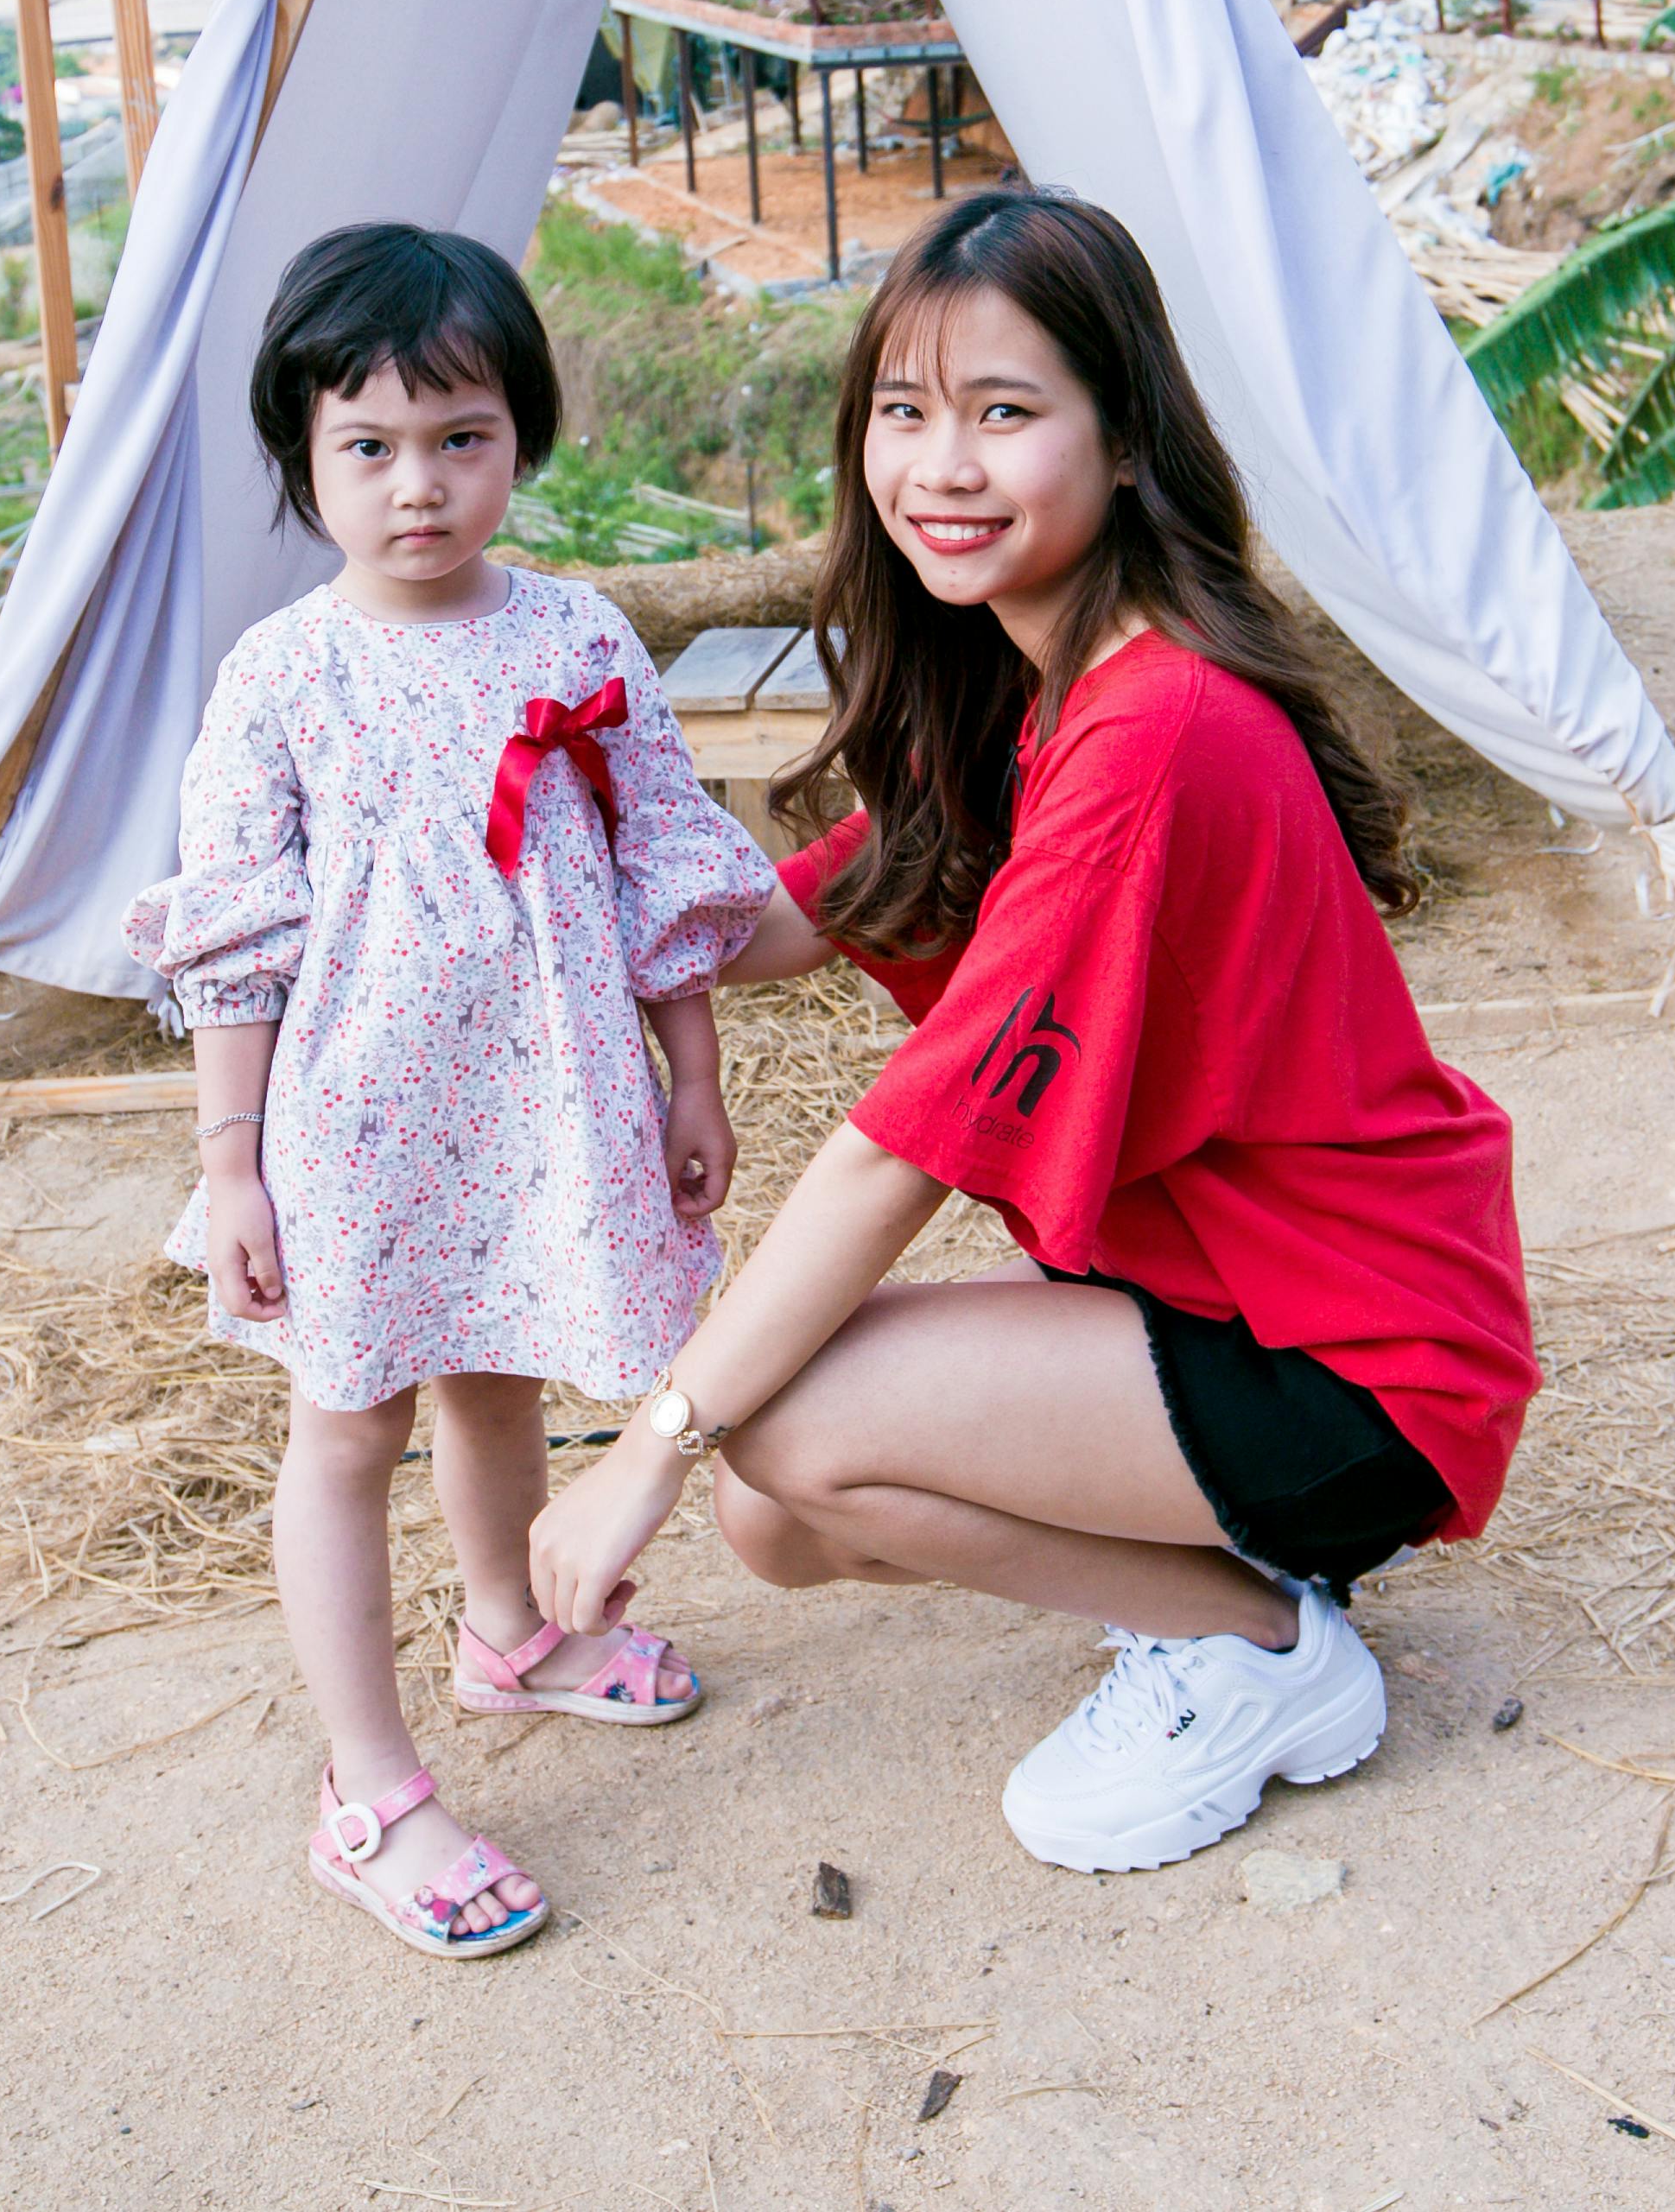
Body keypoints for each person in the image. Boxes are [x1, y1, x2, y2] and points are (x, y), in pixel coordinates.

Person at [529, 187, 1540, 1875]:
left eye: (1006, 414)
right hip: (1219, 1295)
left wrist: (643, 1442)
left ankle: (1267, 1653)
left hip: (1358, 1356)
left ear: (1127, 438)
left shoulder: (1151, 732)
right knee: (774, 1521)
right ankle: (1226, 1590)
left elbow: (899, 1152)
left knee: (766, 1434)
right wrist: (550, 909)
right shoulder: (1025, 677)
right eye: (906, 414)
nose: (942, 466)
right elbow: (806, 913)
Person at [124, 224, 773, 1957]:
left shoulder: (581, 634)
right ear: (304, 458)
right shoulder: (283, 678)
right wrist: (235, 1167)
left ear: (522, 438)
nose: (418, 485)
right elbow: (238, 945)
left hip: (543, 1110)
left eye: (460, 437)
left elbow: (661, 875)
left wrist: (690, 1075)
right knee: (348, 1429)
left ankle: (516, 1632)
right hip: (351, 1130)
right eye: (368, 447)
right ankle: (371, 1791)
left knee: (498, 1374)